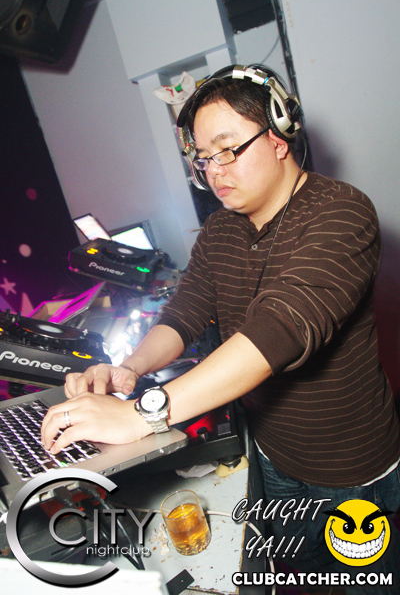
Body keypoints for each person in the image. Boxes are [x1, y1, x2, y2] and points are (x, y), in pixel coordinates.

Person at [41, 64, 400, 592]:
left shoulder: (344, 213)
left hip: (347, 471)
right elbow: (184, 314)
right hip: (271, 452)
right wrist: (129, 369)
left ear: (279, 137)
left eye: (228, 149)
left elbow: (278, 330)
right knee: (288, 575)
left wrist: (143, 415)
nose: (215, 170)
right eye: (204, 157)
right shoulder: (219, 229)